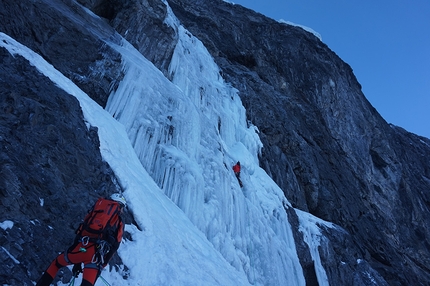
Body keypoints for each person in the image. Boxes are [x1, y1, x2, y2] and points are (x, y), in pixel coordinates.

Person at [36, 193, 126, 286]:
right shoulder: (118, 220)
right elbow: (115, 246)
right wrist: (102, 265)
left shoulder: (97, 210)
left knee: (56, 264)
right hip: (93, 257)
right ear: (121, 205)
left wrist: (76, 261)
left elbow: (80, 232)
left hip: (79, 248)